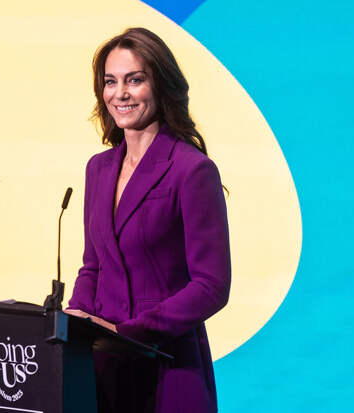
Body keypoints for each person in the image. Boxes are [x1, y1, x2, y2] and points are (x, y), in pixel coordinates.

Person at [65, 27, 231, 413]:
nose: (120, 93)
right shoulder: (98, 169)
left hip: (167, 365)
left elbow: (211, 286)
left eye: (134, 80)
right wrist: (74, 322)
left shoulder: (192, 170)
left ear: (161, 85)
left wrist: (130, 332)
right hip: (102, 367)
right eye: (110, 82)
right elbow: (93, 266)